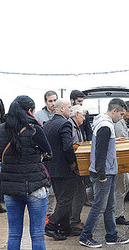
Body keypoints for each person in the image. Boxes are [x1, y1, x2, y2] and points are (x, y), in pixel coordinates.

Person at [0, 95, 59, 250]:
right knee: (37, 235)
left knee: (14, 234)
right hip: (35, 188)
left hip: (10, 188)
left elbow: (0, 155)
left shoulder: (0, 130)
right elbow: (49, 153)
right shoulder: (34, 129)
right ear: (30, 110)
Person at [79, 98, 129, 248]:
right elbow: (100, 152)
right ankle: (85, 236)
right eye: (121, 114)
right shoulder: (106, 126)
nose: (121, 118)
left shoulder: (103, 123)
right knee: (99, 206)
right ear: (114, 111)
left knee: (109, 206)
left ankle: (111, 235)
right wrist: (101, 174)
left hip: (108, 172)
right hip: (104, 173)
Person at [44, 99, 80, 241]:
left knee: (62, 198)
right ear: (61, 109)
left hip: (52, 168)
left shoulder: (48, 124)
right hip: (64, 168)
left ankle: (65, 228)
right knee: (66, 198)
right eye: (69, 107)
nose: (70, 110)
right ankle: (51, 226)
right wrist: (72, 163)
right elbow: (67, 147)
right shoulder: (65, 123)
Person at [35, 91, 57, 217]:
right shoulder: (38, 115)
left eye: (55, 100)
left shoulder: (60, 114)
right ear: (45, 102)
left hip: (57, 156)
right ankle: (47, 214)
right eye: (50, 101)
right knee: (47, 188)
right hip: (44, 158)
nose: (53, 103)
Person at [114, 101, 129, 225]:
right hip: (120, 162)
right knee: (120, 188)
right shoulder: (119, 124)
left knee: (125, 186)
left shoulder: (122, 123)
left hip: (122, 162)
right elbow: (121, 143)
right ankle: (117, 215)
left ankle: (118, 213)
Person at [69, 105, 88, 231]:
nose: (85, 118)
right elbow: (70, 147)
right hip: (72, 167)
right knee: (78, 194)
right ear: (76, 114)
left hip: (77, 167)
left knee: (79, 193)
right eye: (83, 115)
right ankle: (73, 221)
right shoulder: (70, 126)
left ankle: (74, 219)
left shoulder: (77, 127)